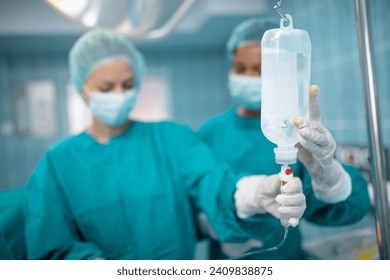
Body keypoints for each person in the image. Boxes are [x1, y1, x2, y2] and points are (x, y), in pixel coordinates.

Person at [23, 28, 307, 260]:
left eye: (128, 85)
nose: (119, 95)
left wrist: (251, 193)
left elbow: (211, 180)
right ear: (81, 87)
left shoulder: (170, 139)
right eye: (107, 88)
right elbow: (51, 246)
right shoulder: (58, 163)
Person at [198, 18, 371, 260]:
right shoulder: (210, 132)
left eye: (259, 70)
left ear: (279, 72)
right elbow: (192, 199)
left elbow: (346, 210)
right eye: (240, 68)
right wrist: (212, 223)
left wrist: (328, 176)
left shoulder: (299, 130)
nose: (248, 77)